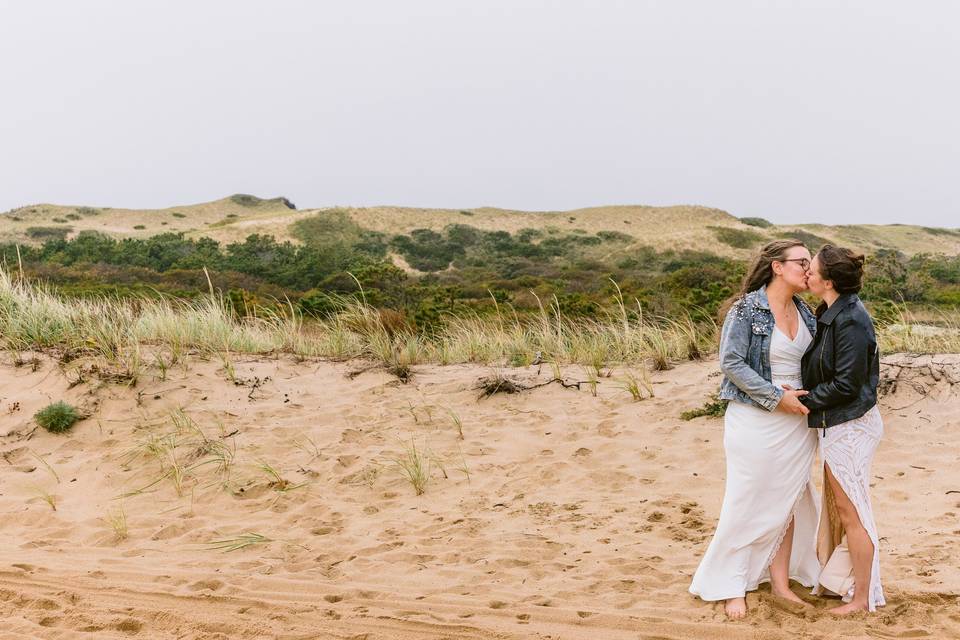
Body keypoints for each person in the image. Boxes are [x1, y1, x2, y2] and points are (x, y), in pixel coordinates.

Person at [690, 240, 821, 619]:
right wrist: (773, 396)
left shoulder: (806, 312)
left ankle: (780, 582)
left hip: (797, 423)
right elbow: (731, 362)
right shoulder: (746, 308)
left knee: (788, 501)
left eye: (809, 263)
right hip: (755, 417)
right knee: (747, 499)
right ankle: (732, 583)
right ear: (777, 267)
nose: (807, 269)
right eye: (800, 262)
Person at [800, 244, 885, 614]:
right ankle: (848, 585)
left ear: (829, 281)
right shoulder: (833, 311)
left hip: (850, 426)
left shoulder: (850, 318)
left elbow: (847, 385)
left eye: (812, 271)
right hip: (839, 423)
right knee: (845, 509)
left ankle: (863, 598)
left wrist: (804, 400)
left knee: (853, 513)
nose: (807, 274)